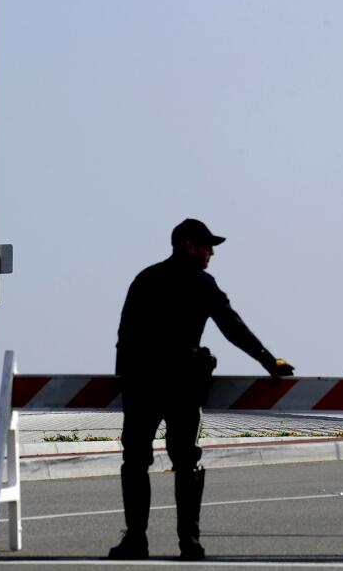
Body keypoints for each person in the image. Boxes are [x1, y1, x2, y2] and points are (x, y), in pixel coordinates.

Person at [107, 218, 294, 562]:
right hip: (181, 384)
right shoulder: (201, 283)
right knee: (186, 461)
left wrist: (127, 383)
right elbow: (232, 327)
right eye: (207, 246)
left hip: (142, 385)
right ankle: (188, 542)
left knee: (135, 461)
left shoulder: (145, 279)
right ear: (189, 246)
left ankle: (136, 540)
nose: (212, 253)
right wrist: (269, 362)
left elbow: (125, 336)